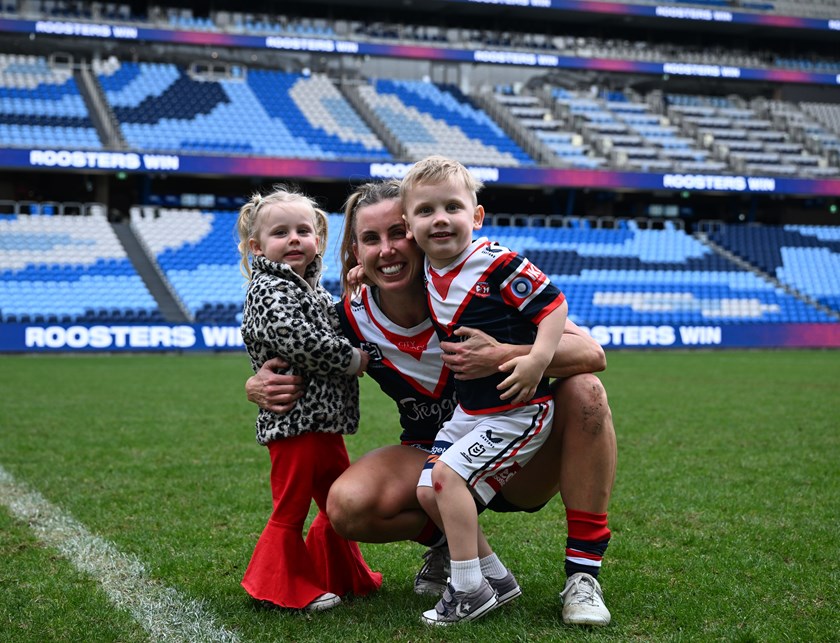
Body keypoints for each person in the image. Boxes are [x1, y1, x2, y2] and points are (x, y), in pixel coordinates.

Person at [246, 179, 616, 626]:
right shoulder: (349, 316)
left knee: (585, 392)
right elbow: (295, 344)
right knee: (346, 505)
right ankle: (453, 550)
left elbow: (592, 354)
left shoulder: (476, 288)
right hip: (434, 462)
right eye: (370, 239)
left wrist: (503, 354)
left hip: (518, 454)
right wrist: (256, 383)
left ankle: (583, 575)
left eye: (396, 233)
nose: (387, 250)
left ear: (418, 231)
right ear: (355, 252)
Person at [400, 155, 568, 625]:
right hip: (470, 413)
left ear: (476, 216)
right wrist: (355, 274)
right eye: (426, 210)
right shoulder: (429, 268)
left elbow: (554, 306)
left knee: (449, 479)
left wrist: (536, 358)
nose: (440, 219)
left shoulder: (496, 262)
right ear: (409, 226)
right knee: (429, 491)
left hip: (518, 409)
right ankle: (497, 579)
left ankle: (468, 589)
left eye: (452, 207)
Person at [235, 186, 382, 612]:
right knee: (292, 506)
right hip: (293, 421)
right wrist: (354, 359)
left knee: (336, 503)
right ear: (257, 247)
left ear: (319, 238)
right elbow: (298, 340)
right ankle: (278, 587)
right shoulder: (267, 289)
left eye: (304, 229)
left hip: (324, 423)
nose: (294, 238)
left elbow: (334, 320)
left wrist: (354, 292)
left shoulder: (309, 291)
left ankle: (340, 573)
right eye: (281, 233)